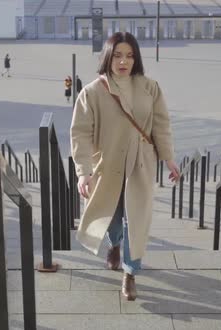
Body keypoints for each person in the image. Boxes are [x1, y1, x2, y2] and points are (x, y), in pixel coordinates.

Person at [70, 32, 179, 301]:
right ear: (108, 56)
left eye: (129, 55)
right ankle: (114, 245)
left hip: (141, 164)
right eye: (118, 55)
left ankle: (130, 273)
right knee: (113, 218)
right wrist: (83, 172)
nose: (123, 61)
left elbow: (161, 125)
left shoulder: (149, 87)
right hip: (107, 166)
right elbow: (80, 133)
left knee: (137, 220)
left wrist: (168, 158)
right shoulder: (92, 92)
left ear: (136, 58)